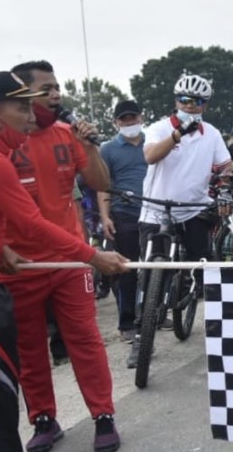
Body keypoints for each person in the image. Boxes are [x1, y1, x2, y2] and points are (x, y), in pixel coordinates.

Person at [0, 71, 127, 452]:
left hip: (8, 275)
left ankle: (103, 414)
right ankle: (42, 416)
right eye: (22, 107)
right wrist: (95, 256)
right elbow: (31, 222)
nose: (32, 114)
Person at [5, 60, 123, 452]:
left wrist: (88, 143)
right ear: (22, 96)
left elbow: (100, 182)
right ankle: (43, 419)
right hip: (21, 265)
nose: (57, 94)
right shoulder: (3, 144)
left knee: (85, 339)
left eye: (58, 87)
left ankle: (103, 416)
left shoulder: (67, 134)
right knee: (30, 346)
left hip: (73, 260)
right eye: (47, 88)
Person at [131, 74, 233, 367]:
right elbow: (150, 156)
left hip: (192, 209)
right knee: (147, 275)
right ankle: (141, 339)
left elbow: (225, 167)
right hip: (155, 211)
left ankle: (224, 328)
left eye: (197, 102)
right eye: (185, 101)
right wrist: (176, 136)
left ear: (205, 106)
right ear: (176, 101)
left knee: (206, 268)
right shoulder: (159, 128)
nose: (190, 107)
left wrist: (225, 189)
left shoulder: (211, 133)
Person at [99, 99, 148, 344]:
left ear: (141, 117)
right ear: (116, 123)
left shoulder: (154, 142)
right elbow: (103, 185)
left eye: (133, 118)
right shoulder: (107, 149)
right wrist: (105, 216)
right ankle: (127, 322)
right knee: (127, 269)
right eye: (124, 119)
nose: (129, 123)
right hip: (124, 213)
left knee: (157, 268)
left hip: (155, 212)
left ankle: (154, 316)